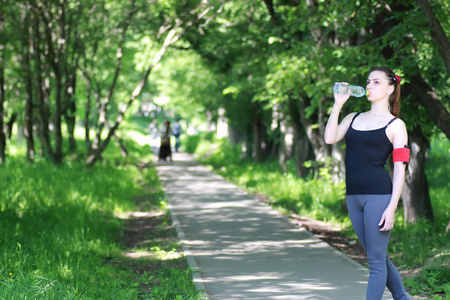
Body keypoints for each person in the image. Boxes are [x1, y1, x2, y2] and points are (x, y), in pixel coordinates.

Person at [324, 66, 410, 300]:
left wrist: (392, 206)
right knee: (378, 256)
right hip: (353, 197)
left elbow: (400, 168)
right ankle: (403, 298)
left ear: (390, 88)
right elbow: (330, 138)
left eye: (376, 82)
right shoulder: (353, 118)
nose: (369, 86)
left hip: (379, 197)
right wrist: (338, 104)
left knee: (375, 261)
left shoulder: (396, 125)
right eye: (368, 82)